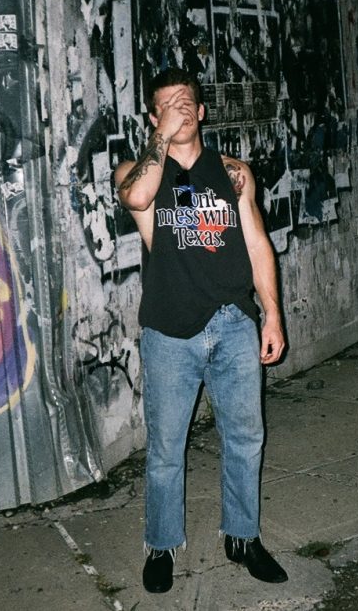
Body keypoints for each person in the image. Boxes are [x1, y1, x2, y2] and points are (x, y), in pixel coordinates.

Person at [113, 67, 288, 594]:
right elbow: (137, 199)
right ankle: (161, 544)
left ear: (203, 111)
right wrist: (163, 138)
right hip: (171, 329)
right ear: (153, 117)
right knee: (167, 448)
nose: (181, 109)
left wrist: (272, 313)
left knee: (246, 437)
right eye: (168, 104)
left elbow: (257, 243)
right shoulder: (136, 170)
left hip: (234, 323)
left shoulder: (233, 173)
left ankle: (243, 537)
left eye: (187, 101)